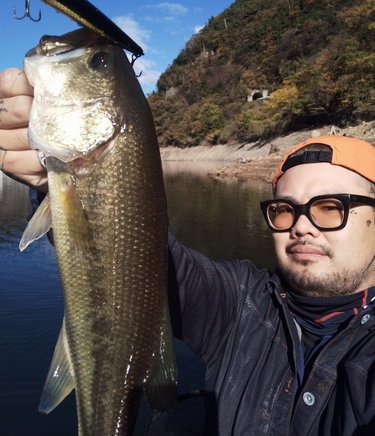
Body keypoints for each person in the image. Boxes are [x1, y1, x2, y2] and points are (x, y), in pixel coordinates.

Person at [1, 67, 375, 435]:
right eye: (284, 210)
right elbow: (142, 259)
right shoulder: (242, 303)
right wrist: (58, 185)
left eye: (330, 208)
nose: (302, 225)